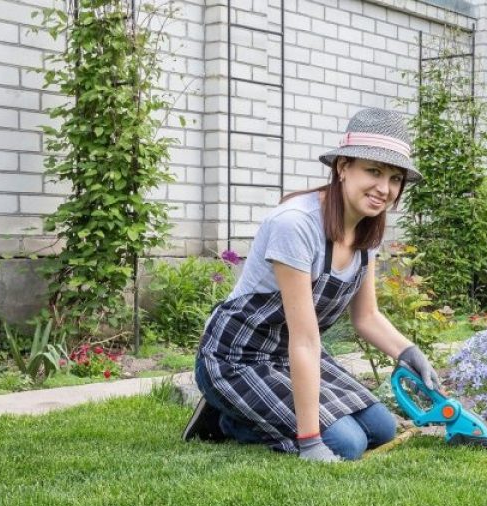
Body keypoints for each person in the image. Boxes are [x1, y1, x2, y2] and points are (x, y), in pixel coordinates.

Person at [184, 108, 440, 462]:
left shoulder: (367, 228)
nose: (385, 189)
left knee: (381, 429)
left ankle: (252, 408)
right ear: (343, 167)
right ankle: (229, 417)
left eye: (395, 178)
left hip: (292, 355)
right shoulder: (296, 225)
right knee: (346, 444)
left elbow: (366, 316)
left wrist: (408, 352)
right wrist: (309, 441)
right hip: (238, 357)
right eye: (374, 171)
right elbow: (305, 339)